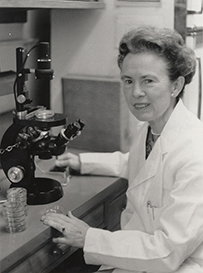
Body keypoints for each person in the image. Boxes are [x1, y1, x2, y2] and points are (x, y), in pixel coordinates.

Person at [41, 26, 203, 273]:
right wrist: (82, 162)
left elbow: (167, 252)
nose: (136, 93)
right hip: (138, 257)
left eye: (148, 80)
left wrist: (88, 238)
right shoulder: (151, 129)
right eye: (128, 81)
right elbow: (141, 166)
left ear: (176, 85)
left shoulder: (195, 151)